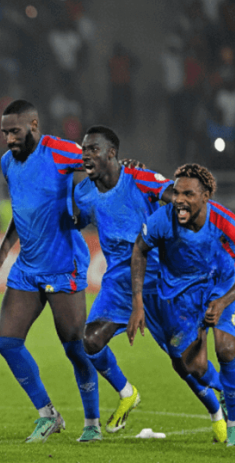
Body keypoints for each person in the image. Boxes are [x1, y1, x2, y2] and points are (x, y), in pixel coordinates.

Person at [0, 100, 101, 443]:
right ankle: (48, 415)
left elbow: (99, 167)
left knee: (75, 348)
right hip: (27, 268)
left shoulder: (60, 150)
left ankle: (92, 423)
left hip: (63, 265)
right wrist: (3, 251)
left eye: (15, 131)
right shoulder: (8, 163)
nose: (8, 139)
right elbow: (22, 210)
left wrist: (85, 206)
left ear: (33, 125)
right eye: (4, 132)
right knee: (7, 342)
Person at [130, 163, 235, 447]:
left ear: (205, 196)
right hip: (181, 296)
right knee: (193, 366)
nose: (179, 200)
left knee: (225, 349)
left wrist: (222, 302)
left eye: (188, 194)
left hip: (219, 286)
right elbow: (139, 249)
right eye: (176, 193)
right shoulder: (162, 219)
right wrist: (138, 302)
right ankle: (224, 389)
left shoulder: (224, 220)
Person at [73, 126, 178, 433]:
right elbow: (79, 220)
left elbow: (178, 198)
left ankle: (224, 407)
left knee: (184, 358)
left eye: (93, 149)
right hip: (119, 280)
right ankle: (126, 392)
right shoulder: (84, 192)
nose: (86, 155)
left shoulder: (138, 177)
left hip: (158, 277)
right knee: (90, 340)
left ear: (111, 153)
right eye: (84, 149)